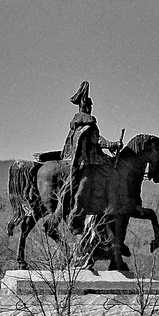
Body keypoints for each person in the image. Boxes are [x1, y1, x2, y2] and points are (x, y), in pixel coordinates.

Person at [59, 81, 118, 226]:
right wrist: (112, 144)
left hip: (74, 159)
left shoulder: (76, 124)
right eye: (90, 106)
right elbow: (97, 141)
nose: (91, 108)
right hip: (87, 161)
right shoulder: (89, 124)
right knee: (111, 174)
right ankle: (103, 206)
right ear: (87, 107)